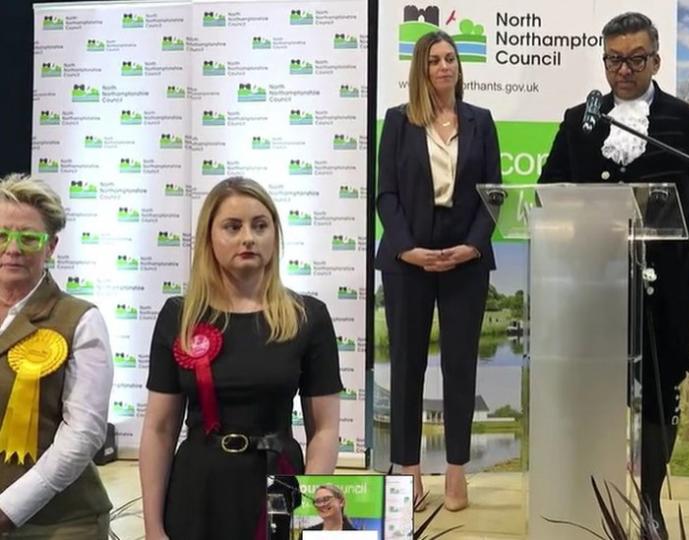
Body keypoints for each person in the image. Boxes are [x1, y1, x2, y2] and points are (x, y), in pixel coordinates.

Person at [538, 12, 689, 534]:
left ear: (656, 60)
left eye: (636, 59)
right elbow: (547, 191)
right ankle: (591, 503)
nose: (624, 70)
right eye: (614, 59)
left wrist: (669, 218)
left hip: (663, 284)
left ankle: (648, 504)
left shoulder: (686, 122)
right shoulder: (581, 119)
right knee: (593, 392)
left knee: (660, 391)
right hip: (592, 283)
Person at [139, 177, 343, 540]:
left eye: (260, 226)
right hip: (197, 489)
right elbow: (159, 430)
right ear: (209, 238)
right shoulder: (179, 316)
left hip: (279, 483)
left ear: (275, 237)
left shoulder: (309, 316)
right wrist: (153, 527)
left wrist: (311, 514)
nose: (248, 237)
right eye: (233, 227)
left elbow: (324, 429)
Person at [375, 30, 501, 512]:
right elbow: (386, 194)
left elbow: (494, 193)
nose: (445, 66)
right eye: (434, 60)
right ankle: (408, 469)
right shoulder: (397, 121)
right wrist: (408, 249)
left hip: (465, 262)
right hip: (408, 264)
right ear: (421, 70)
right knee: (407, 364)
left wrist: (472, 246)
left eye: (451, 58)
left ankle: (455, 469)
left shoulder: (481, 121)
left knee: (459, 365)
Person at [0, 174, 113, 538]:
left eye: (29, 237)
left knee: (292, 523)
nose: (12, 248)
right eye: (2, 235)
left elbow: (82, 435)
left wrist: (7, 509)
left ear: (51, 247)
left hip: (60, 525)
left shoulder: (80, 319)